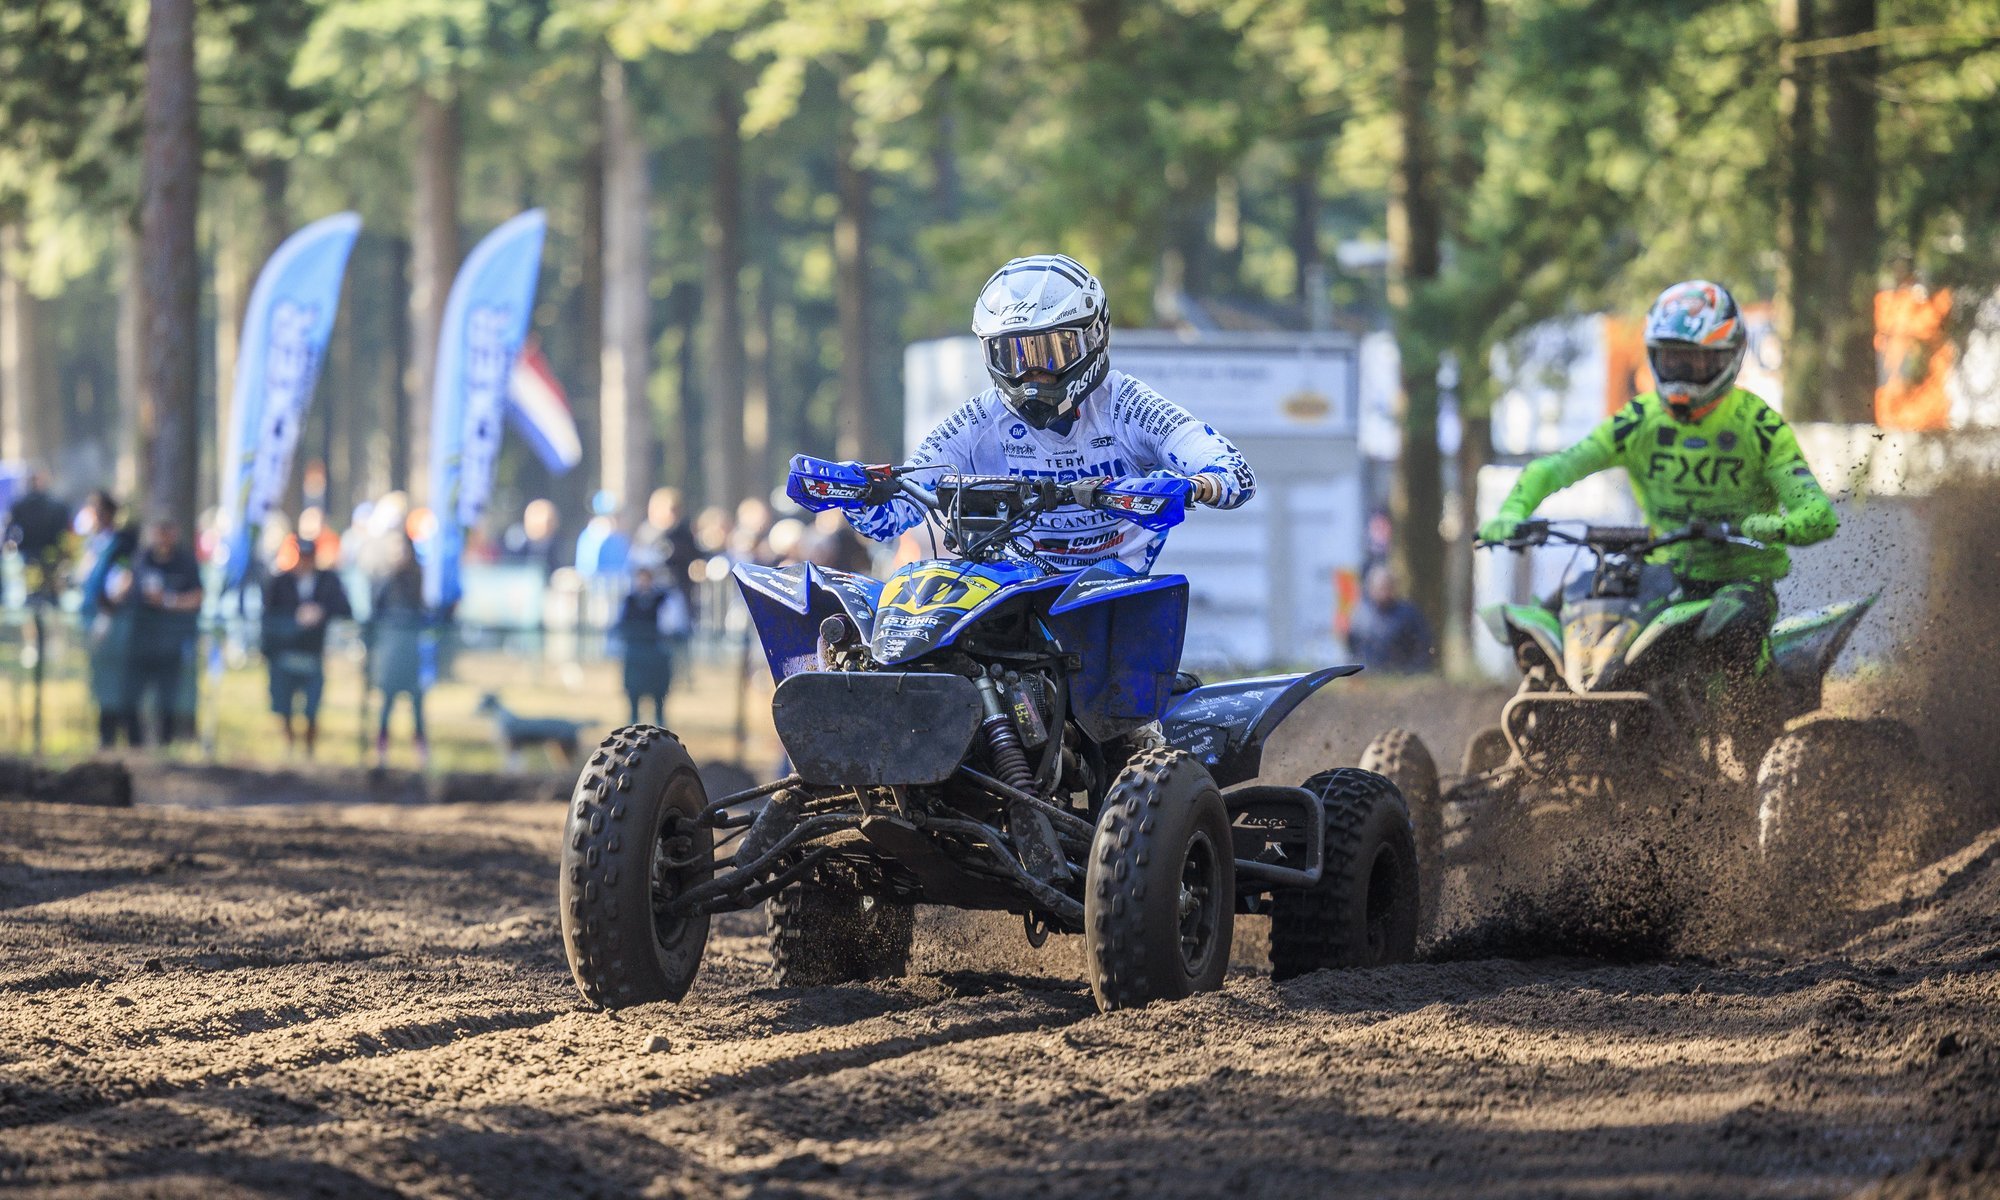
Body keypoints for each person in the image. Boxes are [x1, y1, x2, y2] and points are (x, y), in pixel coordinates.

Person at [1477, 279, 1839, 712]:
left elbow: (1818, 514)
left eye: (1696, 361)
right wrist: (1513, 510)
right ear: (1654, 356)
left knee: (1736, 626)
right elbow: (1556, 468)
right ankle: (1550, 718)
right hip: (1661, 576)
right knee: (1566, 607)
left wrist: (1774, 526)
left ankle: (1747, 735)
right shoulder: (1640, 419)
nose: (1682, 373)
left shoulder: (1758, 426)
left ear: (1727, 357)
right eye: (1673, 359)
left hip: (1736, 579)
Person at [847, 254, 1256, 573]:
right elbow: (890, 518)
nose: (1030, 372)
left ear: (1093, 337)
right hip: (1009, 584)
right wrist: (856, 492)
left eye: (1049, 352)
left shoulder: (1127, 403)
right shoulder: (977, 422)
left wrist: (1196, 486)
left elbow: (1236, 473)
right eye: (1012, 354)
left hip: (1112, 589)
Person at [262, 532, 353, 758]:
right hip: (285, 653)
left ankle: (309, 748)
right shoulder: (280, 582)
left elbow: (345, 608)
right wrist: (295, 617)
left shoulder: (327, 581)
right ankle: (290, 745)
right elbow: (269, 616)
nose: (304, 561)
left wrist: (321, 612)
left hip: (312, 652)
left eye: (308, 556)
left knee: (312, 705)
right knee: (283, 704)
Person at [126, 516, 204, 747]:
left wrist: (168, 601)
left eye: (167, 531)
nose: (163, 537)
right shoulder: (142, 558)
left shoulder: (185, 561)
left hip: (171, 641)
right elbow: (130, 589)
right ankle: (135, 745)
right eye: (159, 530)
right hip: (141, 640)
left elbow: (197, 597)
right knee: (131, 694)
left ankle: (165, 743)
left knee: (168, 697)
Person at [79, 509, 141, 749]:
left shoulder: (120, 548)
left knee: (119, 685)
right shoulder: (98, 547)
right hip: (103, 624)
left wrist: (106, 616)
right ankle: (108, 737)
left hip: (116, 628)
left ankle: (127, 738)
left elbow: (119, 585)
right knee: (105, 683)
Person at [368, 533, 430, 769]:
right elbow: (376, 614)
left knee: (416, 703)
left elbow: (426, 611)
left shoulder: (417, 581)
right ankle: (381, 753)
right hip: (391, 651)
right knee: (387, 703)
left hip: (410, 652)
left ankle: (422, 755)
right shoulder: (384, 580)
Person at [615, 566, 689, 726]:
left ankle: (660, 728)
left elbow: (672, 628)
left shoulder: (664, 600)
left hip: (657, 657)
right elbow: (620, 625)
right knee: (633, 695)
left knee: (659, 696)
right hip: (635, 657)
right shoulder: (629, 600)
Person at [1347, 564, 1435, 674]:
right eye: (1380, 587)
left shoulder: (1409, 614)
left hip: (1401, 675)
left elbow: (1423, 646)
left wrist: (1413, 671)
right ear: (1370, 588)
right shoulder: (1360, 615)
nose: (1383, 592)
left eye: (1387, 587)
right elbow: (1352, 646)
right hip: (1368, 676)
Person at [7, 469, 72, 600]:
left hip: (30, 553)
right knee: (49, 590)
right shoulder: (58, 505)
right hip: (50, 553)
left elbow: (11, 530)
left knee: (32, 591)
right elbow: (64, 531)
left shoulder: (20, 504)